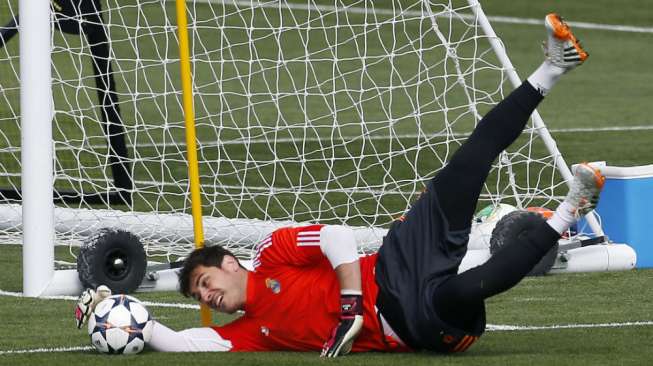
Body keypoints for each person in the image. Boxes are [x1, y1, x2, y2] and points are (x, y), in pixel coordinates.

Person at [75, 13, 604, 356]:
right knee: (469, 286)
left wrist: (350, 302)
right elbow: (182, 340)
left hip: (397, 262)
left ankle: (553, 68)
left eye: (206, 283)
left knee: (467, 164)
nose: (208, 295)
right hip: (413, 324)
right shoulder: (248, 332)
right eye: (199, 295)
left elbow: (339, 238)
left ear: (230, 263)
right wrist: (122, 319)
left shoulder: (274, 252)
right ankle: (567, 212)